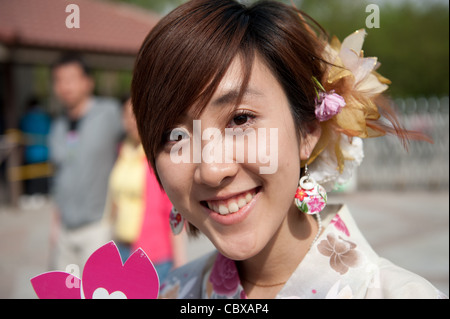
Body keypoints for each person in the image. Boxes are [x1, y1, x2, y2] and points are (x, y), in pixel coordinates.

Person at [131, 0, 446, 299]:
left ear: (308, 130)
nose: (212, 170)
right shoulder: (168, 291)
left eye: (240, 119)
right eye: (176, 136)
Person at [48, 53, 123, 271]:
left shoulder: (109, 113)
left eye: (70, 79)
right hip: (65, 230)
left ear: (88, 82)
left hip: (98, 227)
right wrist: (55, 225)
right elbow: (58, 177)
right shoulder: (57, 126)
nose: (64, 86)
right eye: (58, 80)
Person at [104, 97, 186, 282]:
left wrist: (180, 259)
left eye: (138, 115)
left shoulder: (160, 157)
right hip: (123, 247)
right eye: (127, 116)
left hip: (153, 255)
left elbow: (173, 211)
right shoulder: (122, 151)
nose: (132, 121)